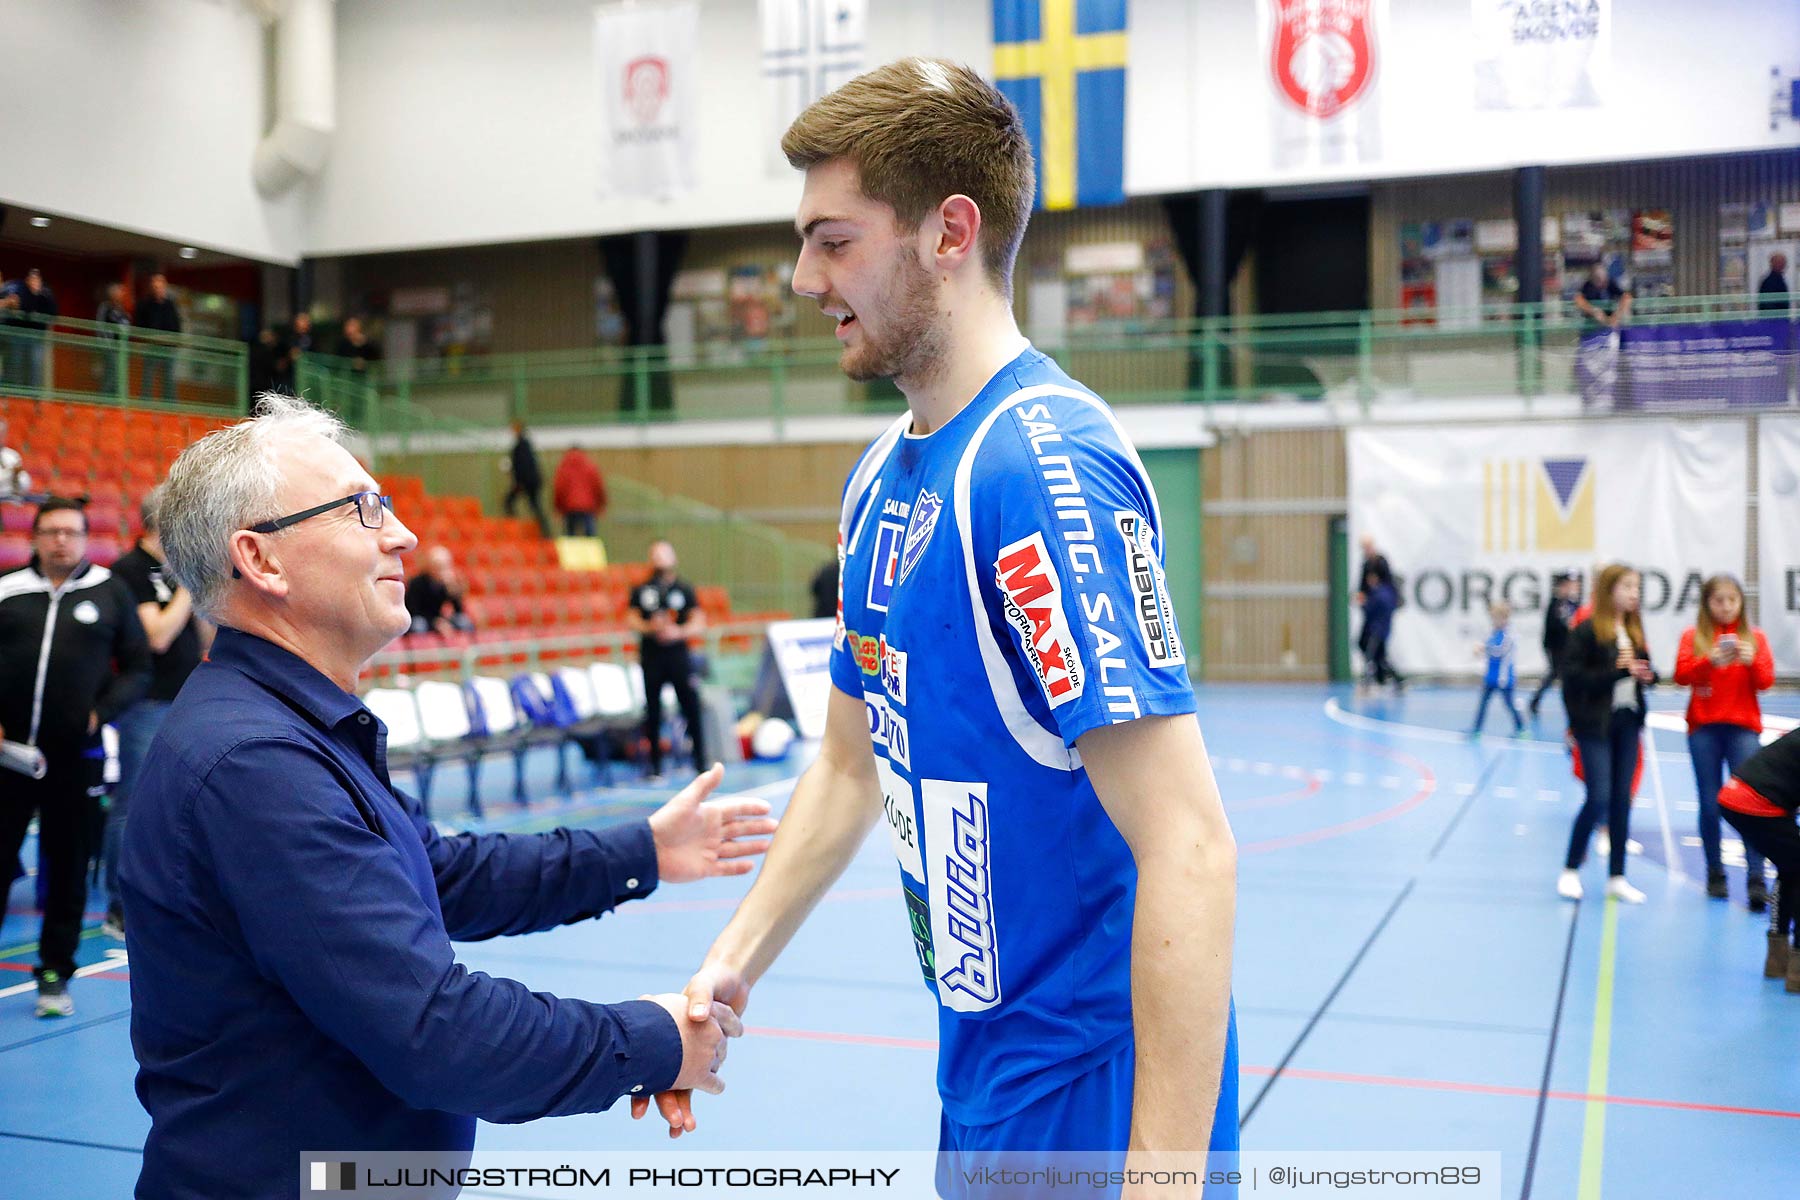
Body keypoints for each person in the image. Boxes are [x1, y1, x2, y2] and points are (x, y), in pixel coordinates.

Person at [636, 60, 1239, 1194]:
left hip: (1093, 1087)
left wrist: (1163, 1178)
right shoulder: (881, 479)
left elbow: (1192, 847)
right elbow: (851, 767)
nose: (803, 276)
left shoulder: (1040, 469)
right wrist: (728, 966)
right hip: (983, 1073)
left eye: (834, 239)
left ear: (949, 232)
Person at [123, 394, 776, 1197]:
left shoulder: (287, 726)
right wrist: (651, 1040)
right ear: (263, 561)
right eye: (362, 510)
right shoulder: (256, 763)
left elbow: (438, 874)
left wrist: (639, 851)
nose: (402, 534)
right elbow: (437, 1035)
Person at [0, 497, 150, 1017]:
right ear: (35, 538)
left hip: (76, 757)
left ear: (86, 539)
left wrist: (102, 713)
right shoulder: (8, 590)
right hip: (6, 756)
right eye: (50, 531)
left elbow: (138, 666)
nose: (60, 540)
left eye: (70, 532)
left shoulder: (110, 593)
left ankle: (53, 976)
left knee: (66, 868)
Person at [102, 485, 212, 940]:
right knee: (133, 802)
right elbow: (159, 636)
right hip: (148, 702)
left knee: (184, 801)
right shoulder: (130, 569)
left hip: (187, 697)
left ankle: (174, 892)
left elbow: (206, 638)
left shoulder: (173, 572)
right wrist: (189, 582)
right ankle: (119, 903)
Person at [1673, 574, 1774, 907]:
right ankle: (1715, 871)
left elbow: (1766, 681)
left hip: (1743, 729)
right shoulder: (1695, 637)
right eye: (1719, 600)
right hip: (1704, 730)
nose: (1727, 606)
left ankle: (1756, 876)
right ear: (1707, 603)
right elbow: (1680, 675)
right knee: (1709, 802)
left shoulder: (1754, 637)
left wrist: (1752, 660)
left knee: (1751, 801)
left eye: (1733, 599)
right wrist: (1709, 661)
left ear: (1741, 602)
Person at [1558, 563, 1656, 904]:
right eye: (1627, 587)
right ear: (1609, 590)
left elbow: (1642, 668)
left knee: (1621, 800)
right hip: (1594, 724)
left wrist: (1646, 675)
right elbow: (1573, 679)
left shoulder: (1633, 628)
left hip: (1627, 721)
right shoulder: (1586, 630)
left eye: (1637, 588)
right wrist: (1616, 673)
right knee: (1598, 795)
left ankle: (1617, 876)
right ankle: (1570, 869)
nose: (1634, 594)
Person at [1718, 727, 1800, 993]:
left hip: (1737, 796)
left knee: (1791, 869)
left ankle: (1777, 960)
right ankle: (1797, 969)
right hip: (1758, 803)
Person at [631, 540, 707, 782]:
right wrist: (649, 627)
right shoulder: (642, 590)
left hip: (678, 656)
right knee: (652, 710)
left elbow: (698, 621)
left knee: (690, 705)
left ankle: (700, 761)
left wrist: (678, 632)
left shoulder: (684, 589)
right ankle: (654, 765)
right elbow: (631, 618)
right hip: (652, 656)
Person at [1529, 573, 1581, 717]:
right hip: (1556, 647)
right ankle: (1538, 700)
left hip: (1566, 647)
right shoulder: (1555, 604)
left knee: (1557, 674)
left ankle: (1537, 700)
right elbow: (1554, 627)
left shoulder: (1570, 603)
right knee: (1557, 674)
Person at [1472, 602, 1524, 736]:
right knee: (1483, 704)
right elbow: (1488, 645)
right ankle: (1476, 730)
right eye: (1493, 618)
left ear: (1504, 619)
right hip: (1491, 676)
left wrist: (1483, 648)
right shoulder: (1493, 633)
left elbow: (1499, 651)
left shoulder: (1509, 635)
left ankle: (1521, 728)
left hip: (1503, 678)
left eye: (1497, 618)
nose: (1494, 621)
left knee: (1510, 705)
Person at [405, 545, 476, 635]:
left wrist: (453, 590)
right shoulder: (416, 583)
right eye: (438, 566)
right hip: (422, 618)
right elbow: (414, 611)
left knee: (463, 622)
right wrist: (435, 622)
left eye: (445, 566)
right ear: (430, 566)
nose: (442, 570)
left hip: (438, 619)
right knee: (418, 625)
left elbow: (458, 611)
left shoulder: (446, 583)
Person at [136, 273, 182, 401]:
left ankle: (169, 403)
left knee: (168, 377)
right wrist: (144, 340)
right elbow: (140, 324)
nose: (158, 289)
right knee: (148, 375)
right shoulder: (145, 304)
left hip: (168, 347)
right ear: (152, 287)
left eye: (160, 286)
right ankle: (146, 402)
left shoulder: (170, 305)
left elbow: (176, 324)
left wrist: (175, 341)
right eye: (155, 286)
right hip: (151, 346)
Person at [1358, 565, 1403, 694]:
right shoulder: (1382, 593)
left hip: (1377, 631)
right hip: (1380, 630)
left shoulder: (1380, 594)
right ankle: (1396, 680)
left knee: (1370, 656)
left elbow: (1372, 612)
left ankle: (1366, 684)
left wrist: (1364, 604)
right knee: (1380, 658)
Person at [13, 269, 58, 392]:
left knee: (35, 366)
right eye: (32, 279)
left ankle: (33, 396)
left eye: (37, 279)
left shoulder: (46, 293)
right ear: (27, 280)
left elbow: (53, 312)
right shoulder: (21, 291)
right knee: (17, 365)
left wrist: (40, 294)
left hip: (37, 337)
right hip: (19, 335)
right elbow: (23, 308)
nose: (34, 282)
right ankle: (16, 395)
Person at [504, 419, 550, 536]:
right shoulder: (524, 444)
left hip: (526, 481)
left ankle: (544, 532)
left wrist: (519, 481)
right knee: (534, 505)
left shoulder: (522, 445)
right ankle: (544, 532)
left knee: (512, 502)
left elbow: (523, 465)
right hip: (528, 481)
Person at [552, 444, 608, 537]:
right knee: (590, 537)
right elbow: (598, 486)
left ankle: (570, 550)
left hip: (569, 507)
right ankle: (591, 550)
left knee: (570, 537)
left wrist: (558, 509)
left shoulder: (563, 467)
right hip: (588, 507)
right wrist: (601, 505)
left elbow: (559, 488)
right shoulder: (590, 466)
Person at [95, 282, 132, 397]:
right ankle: (104, 400)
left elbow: (127, 327)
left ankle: (117, 400)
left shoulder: (122, 311)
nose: (120, 295)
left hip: (121, 349)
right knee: (111, 374)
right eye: (118, 292)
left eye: (121, 292)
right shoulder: (105, 307)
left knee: (120, 376)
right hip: (109, 347)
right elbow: (100, 325)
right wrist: (105, 343)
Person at [0, 414, 33, 500]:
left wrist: (17, 476)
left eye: (2, 434)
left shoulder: (12, 455)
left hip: (11, 498)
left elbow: (25, 486)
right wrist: (11, 473)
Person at [1758, 252, 1790, 316]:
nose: (1783, 265)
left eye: (1784, 263)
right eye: (1781, 263)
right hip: (1773, 321)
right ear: (1773, 264)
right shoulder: (1769, 282)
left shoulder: (1779, 279)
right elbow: (1767, 305)